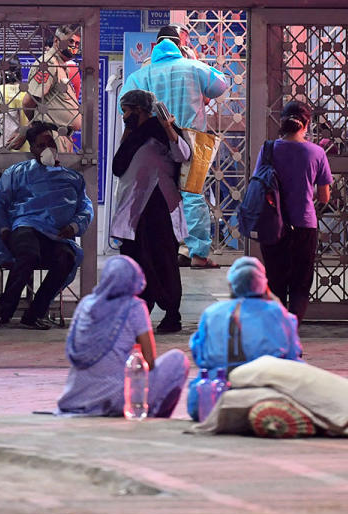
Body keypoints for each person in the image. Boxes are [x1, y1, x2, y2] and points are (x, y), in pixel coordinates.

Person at [120, 24, 229, 269]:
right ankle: (197, 253)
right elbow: (220, 86)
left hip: (152, 142)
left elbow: (123, 106)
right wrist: (196, 62)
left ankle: (166, 249)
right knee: (191, 195)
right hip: (192, 140)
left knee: (157, 195)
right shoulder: (193, 67)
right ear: (180, 45)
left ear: (156, 45)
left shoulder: (139, 75)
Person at [0, 122, 93, 330]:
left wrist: (73, 226)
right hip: (25, 227)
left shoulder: (72, 178)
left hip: (56, 235)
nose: (47, 149)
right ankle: (3, 312)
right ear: (33, 149)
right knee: (28, 254)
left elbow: (85, 208)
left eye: (50, 143)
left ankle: (35, 313)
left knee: (66, 258)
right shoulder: (17, 172)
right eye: (41, 145)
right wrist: (3, 229)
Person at [56, 256, 189, 417]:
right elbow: (149, 360)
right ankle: (154, 415)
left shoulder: (86, 304)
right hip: (117, 399)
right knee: (178, 360)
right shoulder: (134, 306)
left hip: (76, 398)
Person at [111, 90, 190, 333]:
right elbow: (119, 165)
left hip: (159, 207)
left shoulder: (159, 131)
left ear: (141, 110)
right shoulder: (133, 136)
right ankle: (139, 312)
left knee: (162, 261)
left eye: (128, 111)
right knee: (137, 260)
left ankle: (171, 314)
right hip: (135, 209)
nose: (125, 116)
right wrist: (128, 130)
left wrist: (167, 127)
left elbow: (183, 154)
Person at [187, 256, 303, 420]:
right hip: (266, 401)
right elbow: (293, 356)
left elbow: (200, 356)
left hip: (211, 402)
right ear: (264, 286)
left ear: (231, 285)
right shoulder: (279, 314)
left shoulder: (212, 313)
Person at [256, 100, 333, 320]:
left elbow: (259, 183)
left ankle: (278, 331)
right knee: (300, 283)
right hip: (304, 225)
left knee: (275, 280)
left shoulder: (268, 149)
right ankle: (293, 330)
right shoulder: (317, 152)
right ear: (306, 123)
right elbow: (324, 196)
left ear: (282, 122)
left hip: (272, 225)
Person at [25, 24, 83, 152]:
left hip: (61, 136)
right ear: (57, 41)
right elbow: (29, 101)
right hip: (51, 137)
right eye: (70, 41)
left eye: (77, 44)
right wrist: (35, 124)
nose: (74, 46)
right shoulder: (48, 64)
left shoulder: (61, 65)